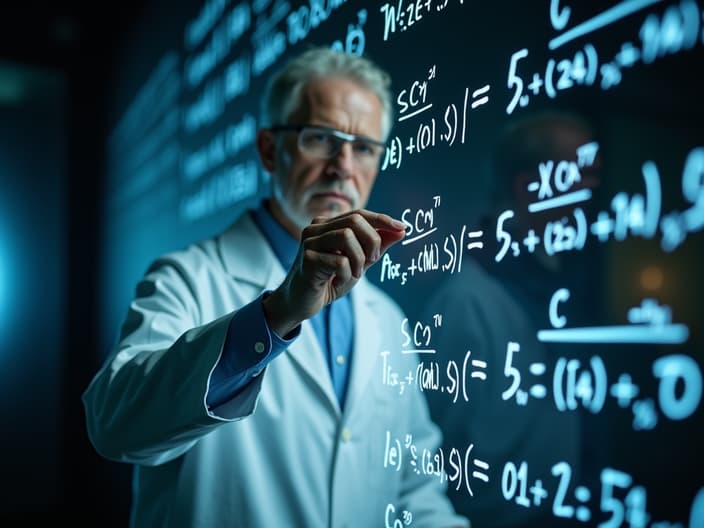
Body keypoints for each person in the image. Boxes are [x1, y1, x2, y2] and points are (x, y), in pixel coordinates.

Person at [82, 47, 469, 528]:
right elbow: (114, 426)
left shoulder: (386, 319)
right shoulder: (189, 277)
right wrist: (275, 314)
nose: (343, 166)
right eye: (320, 139)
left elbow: (415, 490)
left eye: (364, 148)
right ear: (269, 149)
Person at [422, 109, 605, 527]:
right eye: (584, 175)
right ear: (529, 187)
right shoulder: (466, 302)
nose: (597, 191)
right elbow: (438, 465)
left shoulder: (566, 286)